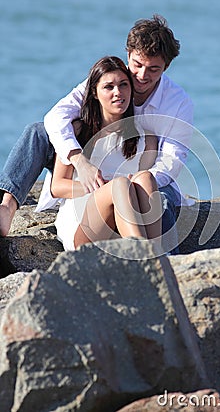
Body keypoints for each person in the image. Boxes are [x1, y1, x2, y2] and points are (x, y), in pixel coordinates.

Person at [0, 14, 193, 254]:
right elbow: (55, 117)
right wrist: (80, 161)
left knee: (155, 195)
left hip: (149, 178)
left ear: (166, 66)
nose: (142, 76)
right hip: (91, 194)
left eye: (153, 69)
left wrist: (136, 187)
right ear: (128, 56)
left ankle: (163, 262)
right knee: (38, 131)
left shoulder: (174, 105)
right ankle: (7, 205)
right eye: (137, 65)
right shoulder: (108, 81)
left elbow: (171, 161)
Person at [38, 56, 162, 250]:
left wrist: (125, 190)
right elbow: (58, 186)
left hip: (124, 223)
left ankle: (157, 252)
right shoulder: (77, 131)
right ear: (95, 92)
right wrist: (104, 187)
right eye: (108, 87)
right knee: (119, 185)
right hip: (84, 224)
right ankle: (144, 257)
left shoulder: (147, 139)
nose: (118, 93)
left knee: (145, 178)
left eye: (123, 85)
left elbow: (143, 194)